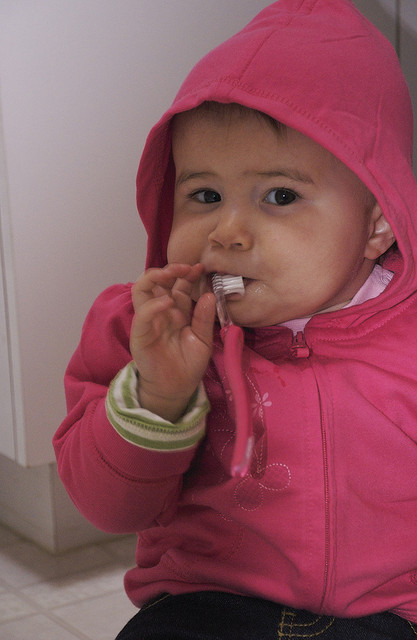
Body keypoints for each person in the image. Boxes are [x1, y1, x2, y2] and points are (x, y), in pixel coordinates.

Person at [53, 0, 417, 638]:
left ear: (378, 222)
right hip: (207, 605)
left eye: (280, 195)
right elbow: (109, 508)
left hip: (391, 616)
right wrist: (158, 396)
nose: (228, 232)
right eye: (204, 194)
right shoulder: (145, 330)